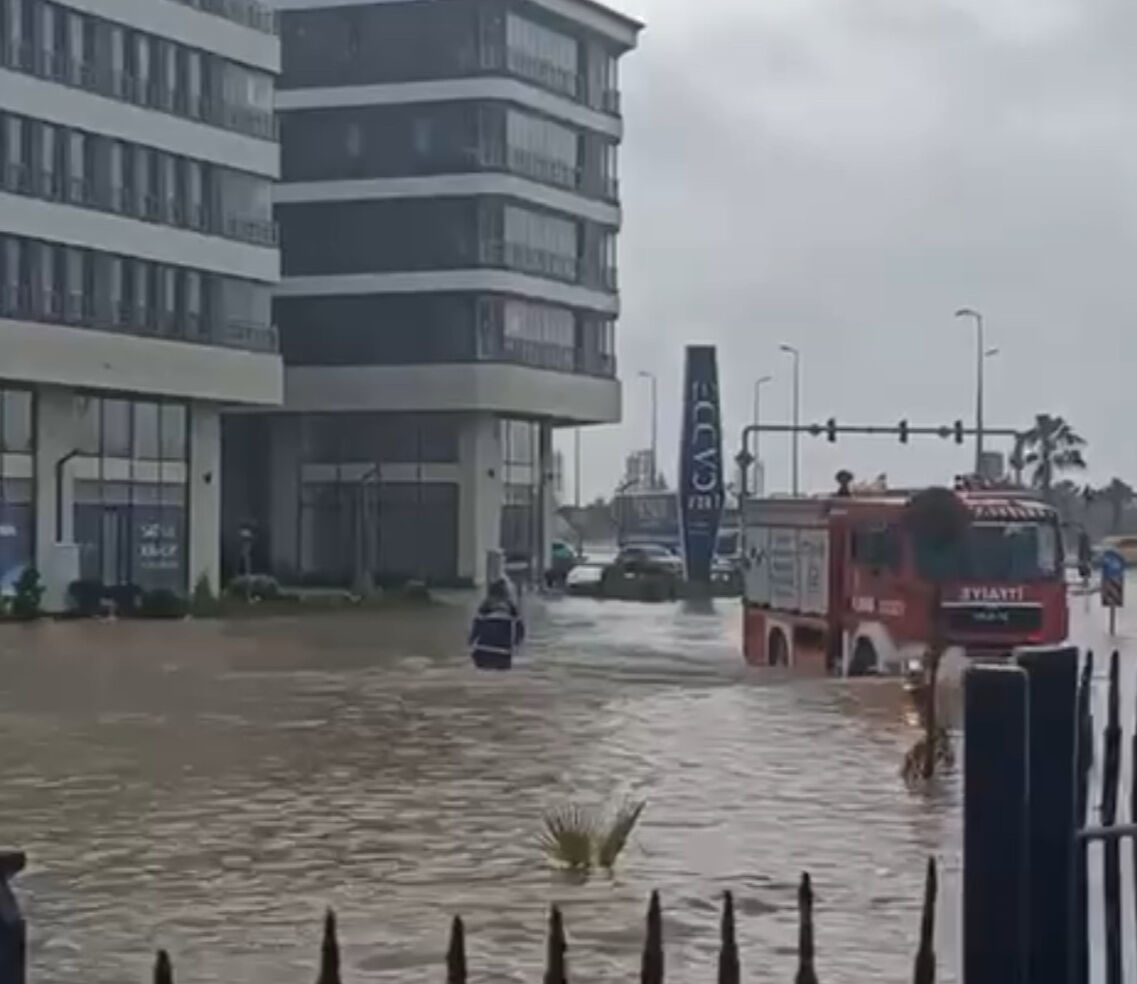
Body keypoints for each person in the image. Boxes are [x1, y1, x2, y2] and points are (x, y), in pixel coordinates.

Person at [468, 578, 525, 670]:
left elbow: (475, 630)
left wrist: (470, 646)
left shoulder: (484, 606)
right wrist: (516, 646)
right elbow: (520, 631)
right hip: (502, 654)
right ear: (506, 593)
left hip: (481, 652)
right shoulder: (511, 608)